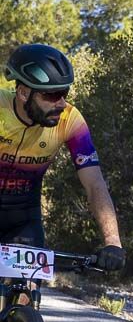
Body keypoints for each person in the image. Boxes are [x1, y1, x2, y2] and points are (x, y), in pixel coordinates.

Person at [1, 43, 124, 269]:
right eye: (52, 95)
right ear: (23, 93)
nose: (62, 103)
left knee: (24, 291)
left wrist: (113, 242)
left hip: (23, 219)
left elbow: (95, 183)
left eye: (64, 93)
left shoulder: (70, 120)